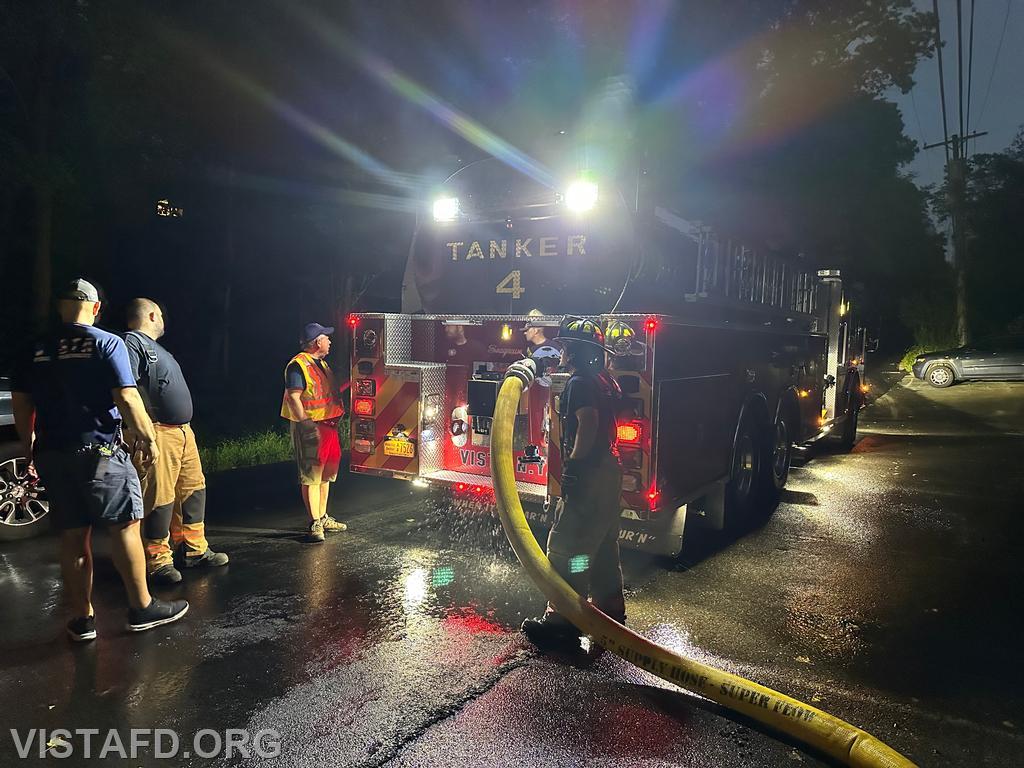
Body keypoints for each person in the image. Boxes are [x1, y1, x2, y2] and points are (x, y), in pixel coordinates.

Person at [11, 279, 188, 641]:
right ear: (94, 309)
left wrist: (30, 446)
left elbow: (21, 403)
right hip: (99, 451)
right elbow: (126, 396)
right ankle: (142, 607)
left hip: (52, 453)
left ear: (61, 307)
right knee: (125, 526)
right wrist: (148, 438)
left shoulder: (34, 347)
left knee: (73, 535)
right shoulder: (106, 342)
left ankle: (82, 618)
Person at [521, 316, 625, 649]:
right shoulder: (604, 379)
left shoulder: (581, 383)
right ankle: (610, 614)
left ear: (578, 353)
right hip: (609, 473)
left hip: (591, 475)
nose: (562, 353)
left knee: (567, 547)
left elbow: (588, 424)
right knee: (604, 548)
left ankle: (562, 621)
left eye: (566, 348)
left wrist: (575, 468)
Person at [124, 298, 228, 585]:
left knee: (193, 490)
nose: (164, 321)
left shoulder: (158, 349)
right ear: (153, 315)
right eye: (161, 316)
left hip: (182, 432)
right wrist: (141, 433)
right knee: (159, 498)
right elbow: (126, 390)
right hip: (158, 432)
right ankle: (157, 561)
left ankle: (194, 550)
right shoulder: (132, 343)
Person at [281, 323, 348, 542]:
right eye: (326, 337)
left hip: (328, 426)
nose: (330, 341)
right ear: (317, 342)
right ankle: (314, 522)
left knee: (326, 474)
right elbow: (293, 397)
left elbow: (329, 392)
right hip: (312, 427)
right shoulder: (298, 365)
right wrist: (305, 424)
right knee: (311, 476)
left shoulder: (321, 364)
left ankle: (323, 516)